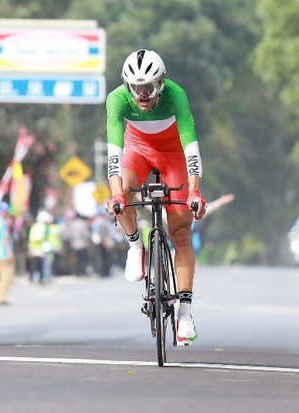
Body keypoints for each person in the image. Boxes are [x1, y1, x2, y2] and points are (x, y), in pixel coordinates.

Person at [105, 49, 207, 345]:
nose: (142, 94)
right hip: (136, 149)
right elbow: (115, 152)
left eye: (148, 87)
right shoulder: (116, 99)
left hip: (174, 154)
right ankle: (136, 246)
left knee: (180, 232)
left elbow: (191, 147)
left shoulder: (177, 95)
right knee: (121, 194)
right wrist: (115, 196)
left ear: (161, 83)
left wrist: (195, 191)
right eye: (135, 88)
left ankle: (185, 312)